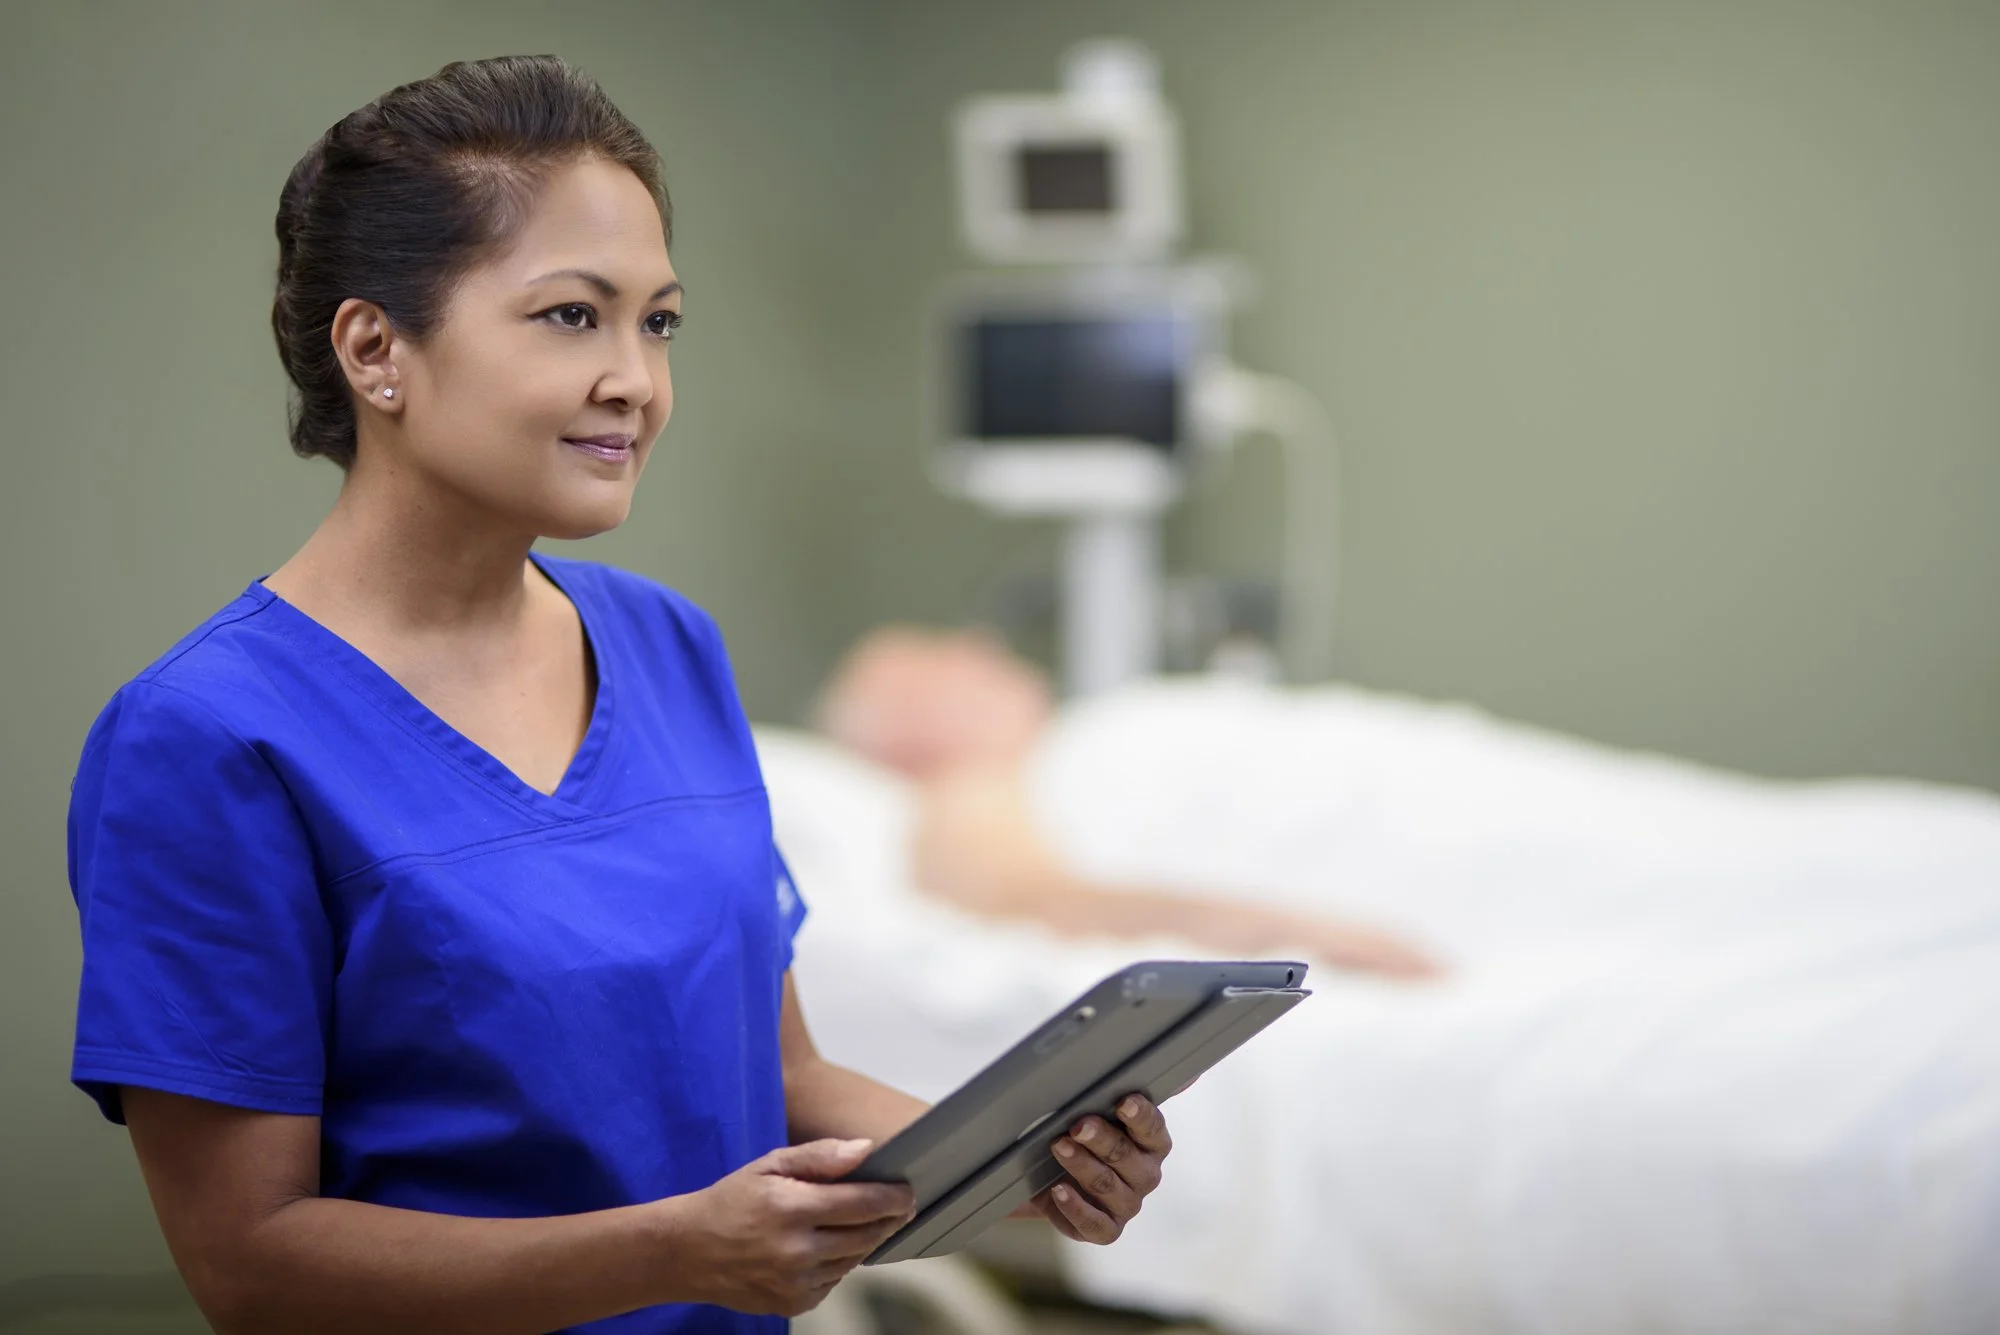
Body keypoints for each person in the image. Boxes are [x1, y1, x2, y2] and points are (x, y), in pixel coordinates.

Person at [66, 58, 1173, 1335]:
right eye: (569, 317)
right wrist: (671, 1255)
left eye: (658, 322)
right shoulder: (207, 740)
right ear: (376, 349)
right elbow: (252, 1267)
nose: (635, 383)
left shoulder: (667, 647)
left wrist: (1019, 1165)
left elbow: (786, 1077)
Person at [814, 626, 1442, 979]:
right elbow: (1041, 903)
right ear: (911, 730)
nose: (985, 647)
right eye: (945, 657)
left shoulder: (1046, 757)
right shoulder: (969, 789)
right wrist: (1289, 934)